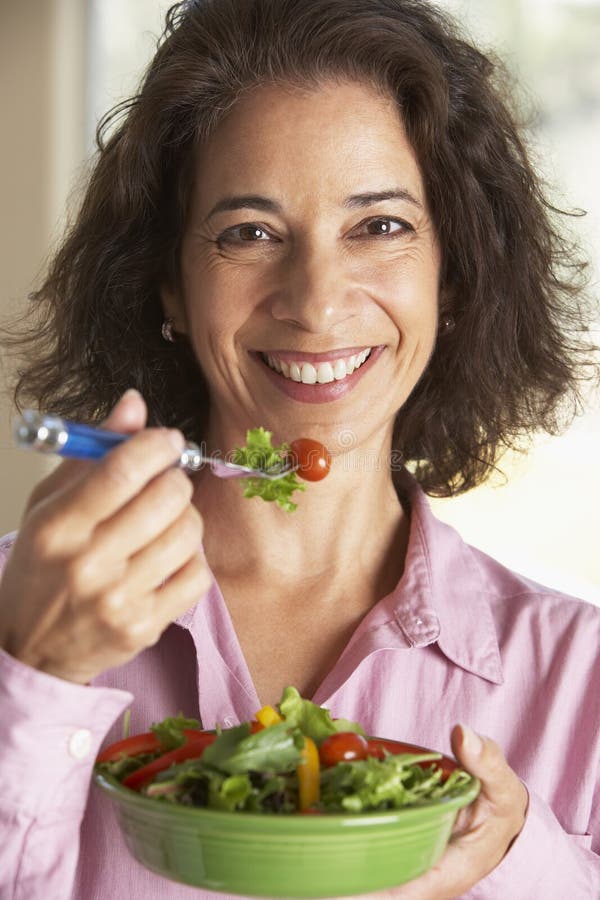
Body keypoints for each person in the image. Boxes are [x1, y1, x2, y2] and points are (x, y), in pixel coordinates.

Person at [0, 0, 598, 897]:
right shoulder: (22, 617)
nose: (317, 303)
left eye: (380, 226)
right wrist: (33, 682)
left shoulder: (578, 677)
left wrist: (516, 868)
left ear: (456, 275)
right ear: (168, 284)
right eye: (250, 233)